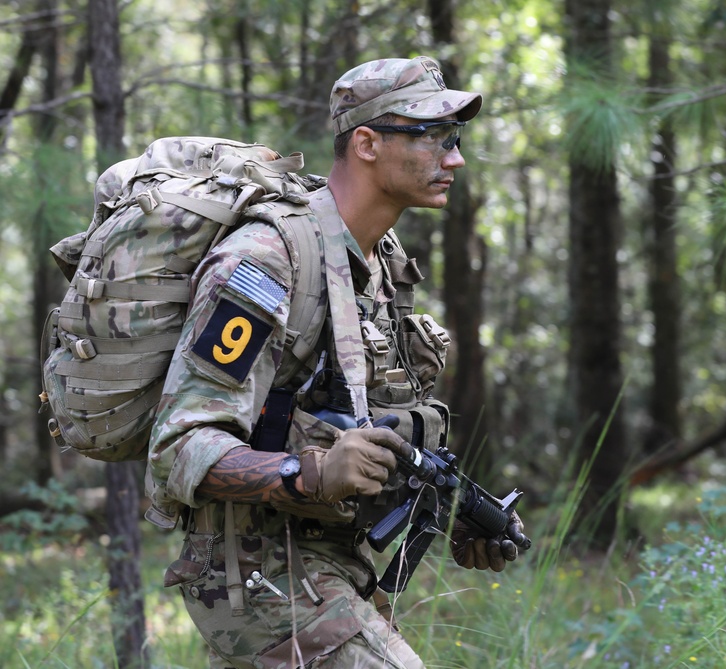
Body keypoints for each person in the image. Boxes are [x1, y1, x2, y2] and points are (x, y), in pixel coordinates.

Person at [147, 55, 526, 669]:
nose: (453, 158)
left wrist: (452, 517)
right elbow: (178, 445)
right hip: (258, 579)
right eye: (433, 137)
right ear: (368, 143)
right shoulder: (268, 262)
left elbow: (359, 419)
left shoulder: (377, 263)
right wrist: (310, 471)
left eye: (455, 140)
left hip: (334, 567)